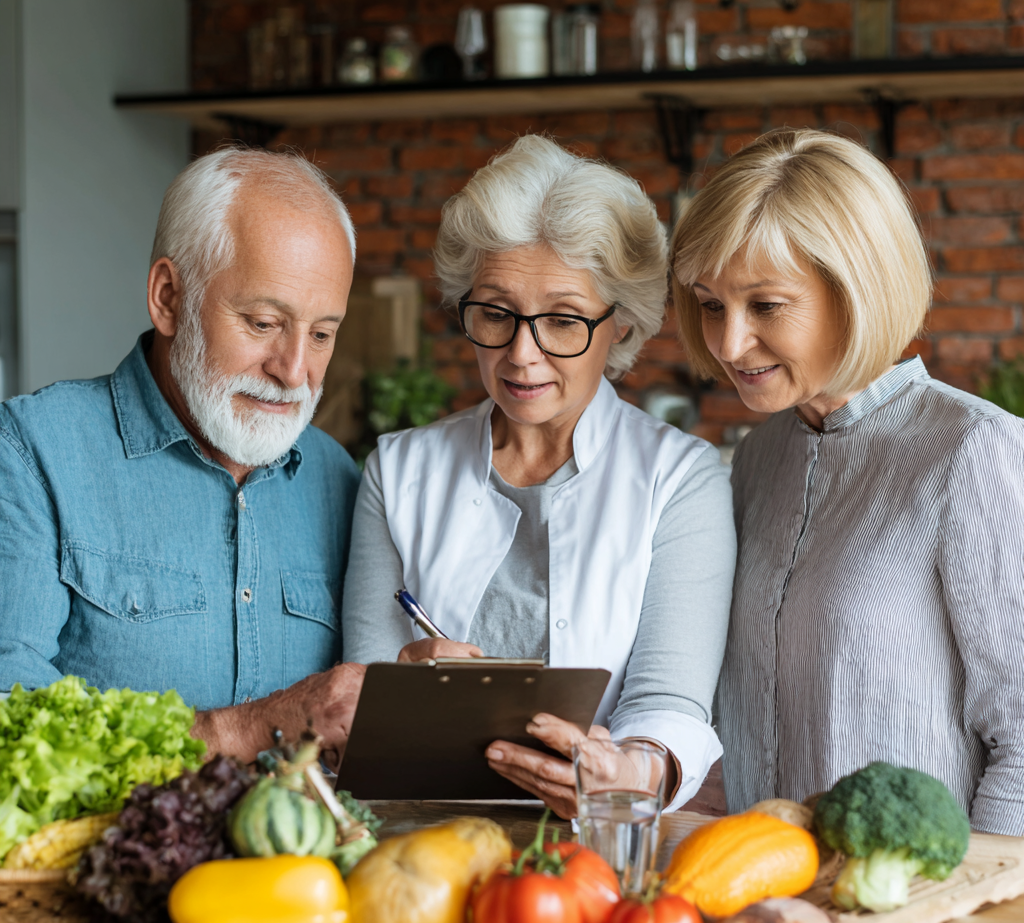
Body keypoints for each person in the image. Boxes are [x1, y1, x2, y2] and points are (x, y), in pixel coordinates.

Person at [343, 135, 737, 817]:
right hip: (420, 843)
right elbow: (360, 703)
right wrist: (403, 688)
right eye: (495, 313)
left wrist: (629, 769)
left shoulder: (680, 479)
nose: (522, 356)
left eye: (561, 321)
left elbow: (669, 703)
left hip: (598, 845)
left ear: (620, 326)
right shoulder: (398, 472)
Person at [670, 128, 1024, 835]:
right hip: (763, 906)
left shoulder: (973, 451)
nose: (729, 343)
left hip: (912, 913)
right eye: (711, 304)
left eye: (766, 306)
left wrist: (965, 912)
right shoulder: (758, 457)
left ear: (855, 289)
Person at [0, 147, 366, 770]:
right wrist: (246, 730)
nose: (295, 371)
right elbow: (9, 718)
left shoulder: (342, 480)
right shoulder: (32, 451)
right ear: (168, 297)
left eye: (323, 334)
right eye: (261, 322)